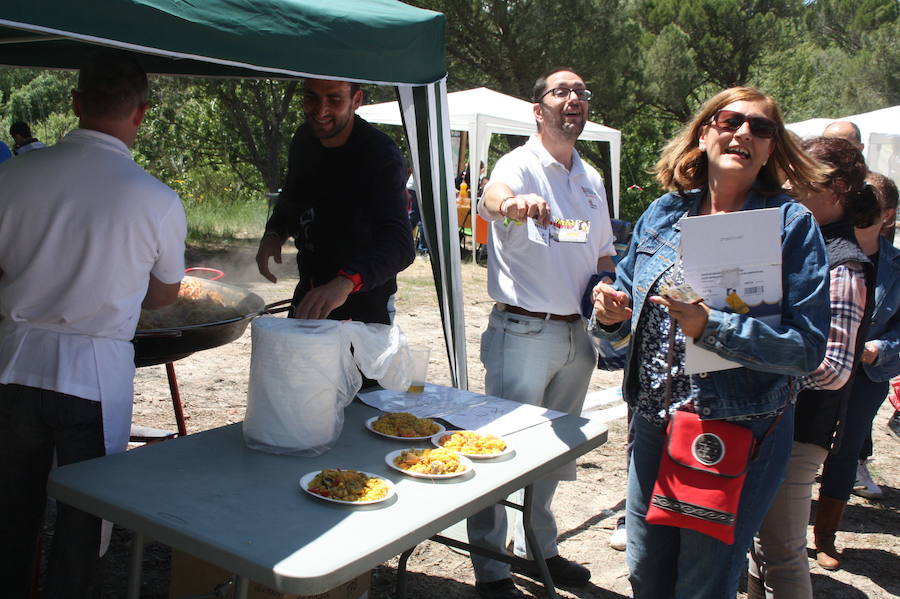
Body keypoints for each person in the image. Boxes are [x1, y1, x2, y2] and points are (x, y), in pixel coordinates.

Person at [591, 86, 832, 599]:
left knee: (702, 582)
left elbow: (808, 349)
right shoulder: (662, 212)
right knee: (646, 571)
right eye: (730, 120)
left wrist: (713, 328)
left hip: (734, 429)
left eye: (761, 128)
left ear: (771, 150)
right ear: (704, 134)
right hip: (653, 423)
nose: (743, 132)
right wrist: (609, 313)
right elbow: (622, 314)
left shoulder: (791, 225)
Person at [0, 50, 186, 598]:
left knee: (10, 515)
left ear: (77, 102)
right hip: (92, 377)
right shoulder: (156, 199)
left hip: (12, 364)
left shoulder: (14, 176)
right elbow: (164, 297)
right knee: (84, 523)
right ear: (142, 113)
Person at [467, 67, 617, 599]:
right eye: (561, 92)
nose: (573, 99)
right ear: (539, 109)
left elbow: (601, 252)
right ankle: (491, 567)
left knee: (553, 455)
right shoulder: (520, 163)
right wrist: (508, 205)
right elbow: (493, 195)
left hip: (579, 334)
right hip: (524, 331)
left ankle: (540, 548)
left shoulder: (590, 177)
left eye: (581, 92)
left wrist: (609, 290)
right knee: (500, 451)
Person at [749, 137, 880, 597]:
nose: (787, 184)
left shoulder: (843, 264)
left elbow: (834, 368)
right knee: (756, 545)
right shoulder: (802, 240)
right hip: (770, 420)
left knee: (782, 551)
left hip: (801, 429)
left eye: (800, 175)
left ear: (837, 188)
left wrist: (757, 371)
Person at [256, 78, 414, 325]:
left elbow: (400, 246)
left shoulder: (379, 154)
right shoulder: (304, 140)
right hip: (310, 292)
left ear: (356, 101)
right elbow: (292, 197)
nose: (320, 110)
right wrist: (275, 232)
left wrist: (345, 282)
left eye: (334, 99)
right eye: (312, 97)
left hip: (364, 305)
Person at [808, 171, 900, 571]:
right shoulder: (819, 246)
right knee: (802, 446)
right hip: (816, 368)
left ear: (889, 215)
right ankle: (784, 529)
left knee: (845, 451)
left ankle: (825, 537)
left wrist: (879, 349)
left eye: (870, 203)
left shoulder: (895, 265)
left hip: (867, 375)